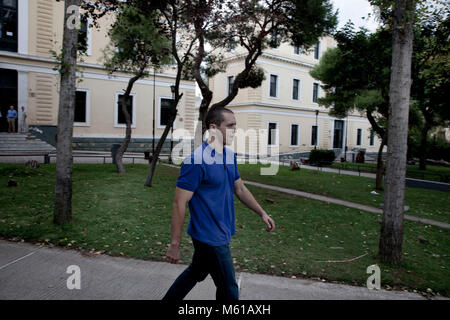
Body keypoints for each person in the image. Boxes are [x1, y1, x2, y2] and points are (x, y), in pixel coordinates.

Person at [162, 106, 275, 301]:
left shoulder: (229, 156)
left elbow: (239, 188)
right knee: (229, 288)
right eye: (230, 125)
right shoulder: (196, 161)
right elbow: (179, 203)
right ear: (214, 128)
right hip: (210, 237)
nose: (235, 130)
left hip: (221, 231)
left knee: (195, 273)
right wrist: (174, 244)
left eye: (235, 125)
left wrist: (262, 212)